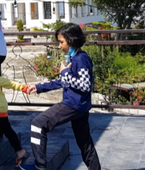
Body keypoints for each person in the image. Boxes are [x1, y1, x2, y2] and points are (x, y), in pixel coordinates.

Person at [21, 23, 101, 170]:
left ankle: (40, 166)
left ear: (71, 40)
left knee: (38, 123)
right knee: (84, 143)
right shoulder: (74, 57)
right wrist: (38, 87)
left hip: (73, 105)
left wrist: (64, 72)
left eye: (61, 42)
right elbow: (63, 82)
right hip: (79, 107)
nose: (59, 46)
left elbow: (84, 85)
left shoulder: (81, 59)